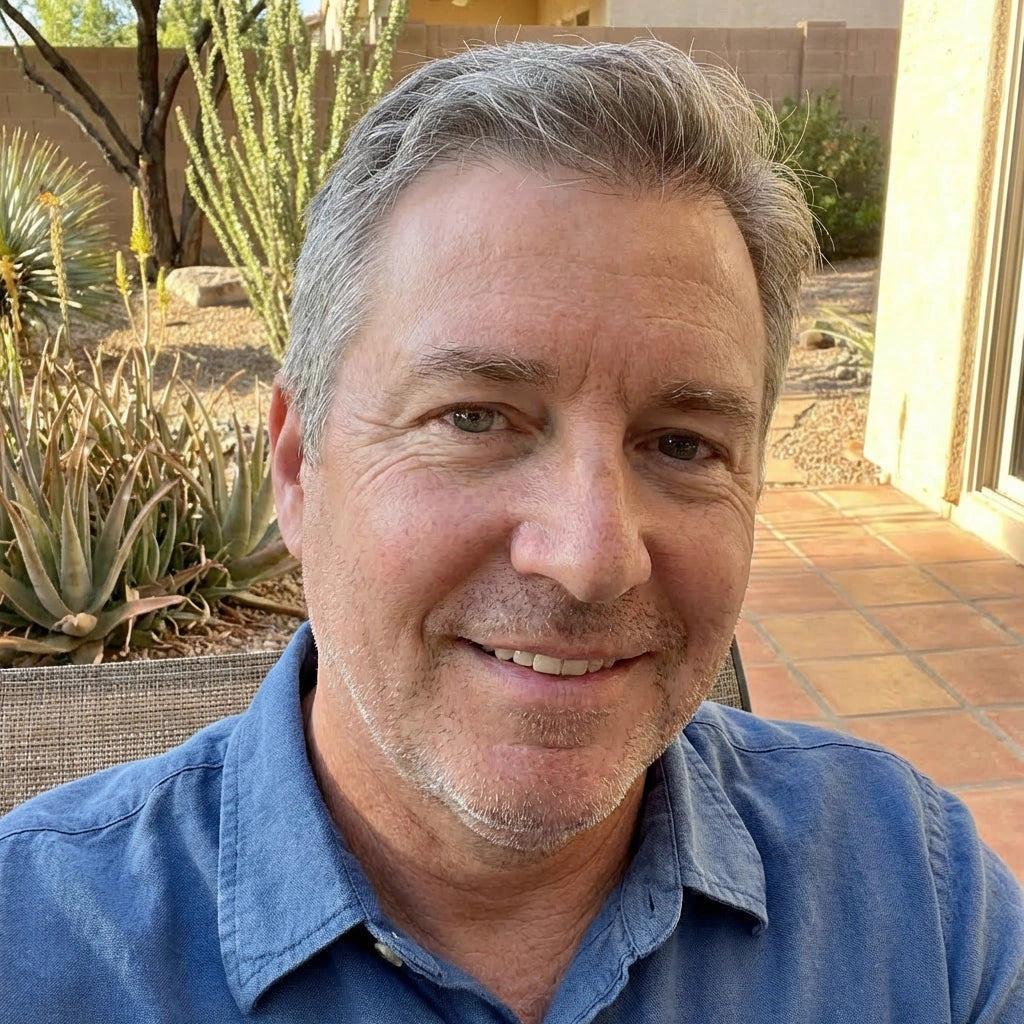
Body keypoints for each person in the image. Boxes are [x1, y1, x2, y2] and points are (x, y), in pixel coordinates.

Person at [1, 39, 1022, 1024]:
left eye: (681, 443)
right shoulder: (36, 946)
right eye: (475, 419)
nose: (589, 557)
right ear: (299, 466)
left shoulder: (918, 901)